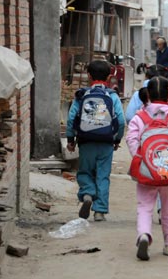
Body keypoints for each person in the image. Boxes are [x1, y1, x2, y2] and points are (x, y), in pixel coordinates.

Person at [126, 76, 168, 261]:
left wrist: (140, 159)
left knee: (145, 205)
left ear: (146, 95)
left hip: (146, 170)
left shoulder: (140, 117)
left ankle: (144, 235)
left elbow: (131, 139)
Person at [66, 60, 125, 222]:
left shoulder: (81, 95)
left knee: (85, 171)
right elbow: (120, 121)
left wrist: (71, 139)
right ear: (109, 76)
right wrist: (117, 138)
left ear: (88, 75)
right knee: (103, 175)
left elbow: (71, 118)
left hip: (86, 141)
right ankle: (99, 211)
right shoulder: (112, 96)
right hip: (106, 142)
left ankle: (87, 194)